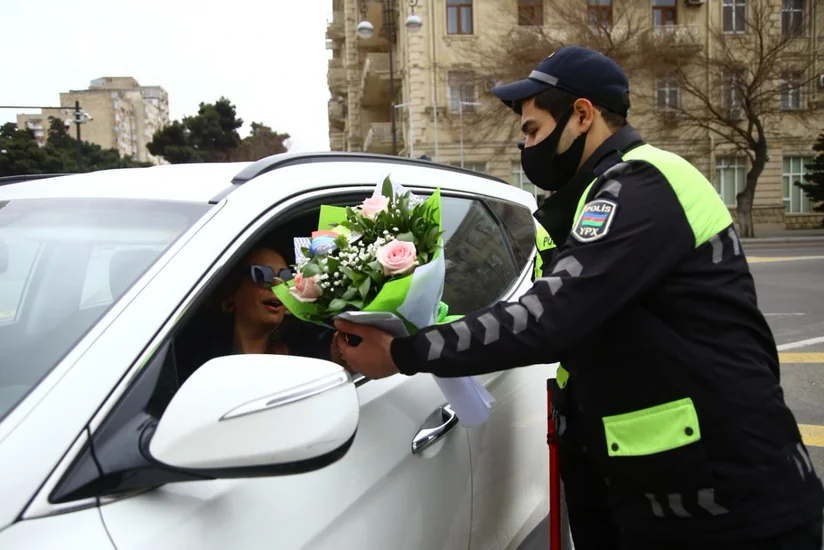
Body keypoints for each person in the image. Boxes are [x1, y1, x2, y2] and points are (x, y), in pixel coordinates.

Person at [332, 46, 824, 550]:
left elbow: (550, 317)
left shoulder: (644, 183)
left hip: (732, 504)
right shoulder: (584, 201)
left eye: (532, 130)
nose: (525, 147)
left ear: (582, 115)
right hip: (652, 494)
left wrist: (403, 353)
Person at [177, 244, 342, 382]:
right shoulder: (193, 356)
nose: (277, 284)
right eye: (262, 274)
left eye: (286, 277)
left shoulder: (309, 358)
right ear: (231, 292)